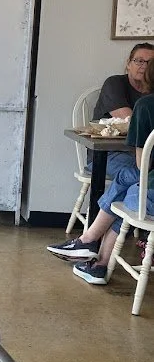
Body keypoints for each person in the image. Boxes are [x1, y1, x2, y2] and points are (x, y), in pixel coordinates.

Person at [47, 57, 154, 284]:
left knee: (129, 186)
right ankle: (94, 257)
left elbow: (141, 164)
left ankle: (92, 248)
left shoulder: (146, 106)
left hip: (150, 199)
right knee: (131, 182)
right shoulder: (116, 84)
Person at [91, 42, 154, 176]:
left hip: (145, 153)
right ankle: (108, 198)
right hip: (109, 154)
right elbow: (132, 123)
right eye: (139, 61)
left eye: (150, 63)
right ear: (128, 64)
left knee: (145, 176)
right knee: (141, 176)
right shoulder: (114, 84)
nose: (144, 66)